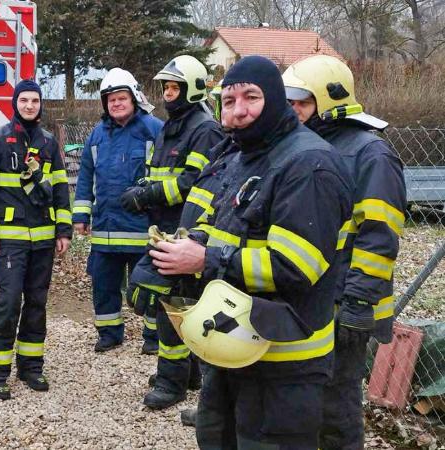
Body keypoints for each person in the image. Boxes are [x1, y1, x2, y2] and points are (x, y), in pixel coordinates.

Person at [149, 55, 352, 449]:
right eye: (228, 101)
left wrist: (205, 259)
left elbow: (296, 265)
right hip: (235, 347)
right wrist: (184, 249)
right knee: (216, 436)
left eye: (251, 98)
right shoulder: (244, 155)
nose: (238, 111)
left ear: (275, 99)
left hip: (285, 362)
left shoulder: (308, 164)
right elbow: (224, 225)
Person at [283, 55, 407, 450]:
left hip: (346, 306)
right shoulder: (301, 147)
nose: (292, 112)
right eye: (287, 103)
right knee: (301, 402)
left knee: (336, 409)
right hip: (307, 300)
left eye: (300, 103)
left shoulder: (371, 155)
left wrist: (357, 302)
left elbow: (377, 237)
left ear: (329, 101)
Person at [120, 55, 224, 410]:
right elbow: (160, 174)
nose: (167, 93)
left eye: (175, 87)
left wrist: (146, 195)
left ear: (193, 89)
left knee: (173, 307)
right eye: (165, 86)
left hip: (190, 232)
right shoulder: (172, 126)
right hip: (167, 228)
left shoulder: (204, 129)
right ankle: (187, 373)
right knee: (177, 304)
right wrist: (142, 190)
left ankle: (171, 381)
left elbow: (191, 184)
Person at [0, 80, 72, 400]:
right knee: (9, 300)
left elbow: (60, 189)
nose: (30, 105)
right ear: (15, 103)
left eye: (35, 100)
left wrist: (64, 230)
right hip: (11, 241)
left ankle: (31, 367)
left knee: (37, 303)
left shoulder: (47, 142)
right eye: (24, 100)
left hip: (43, 240)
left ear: (40, 105)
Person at [72, 67, 163, 353]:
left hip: (142, 229)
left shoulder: (154, 129)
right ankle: (109, 333)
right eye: (111, 99)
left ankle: (154, 337)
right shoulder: (98, 135)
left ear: (134, 98)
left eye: (121, 98)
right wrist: (80, 216)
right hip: (105, 229)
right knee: (103, 286)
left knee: (150, 285)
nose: (116, 104)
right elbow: (86, 176)